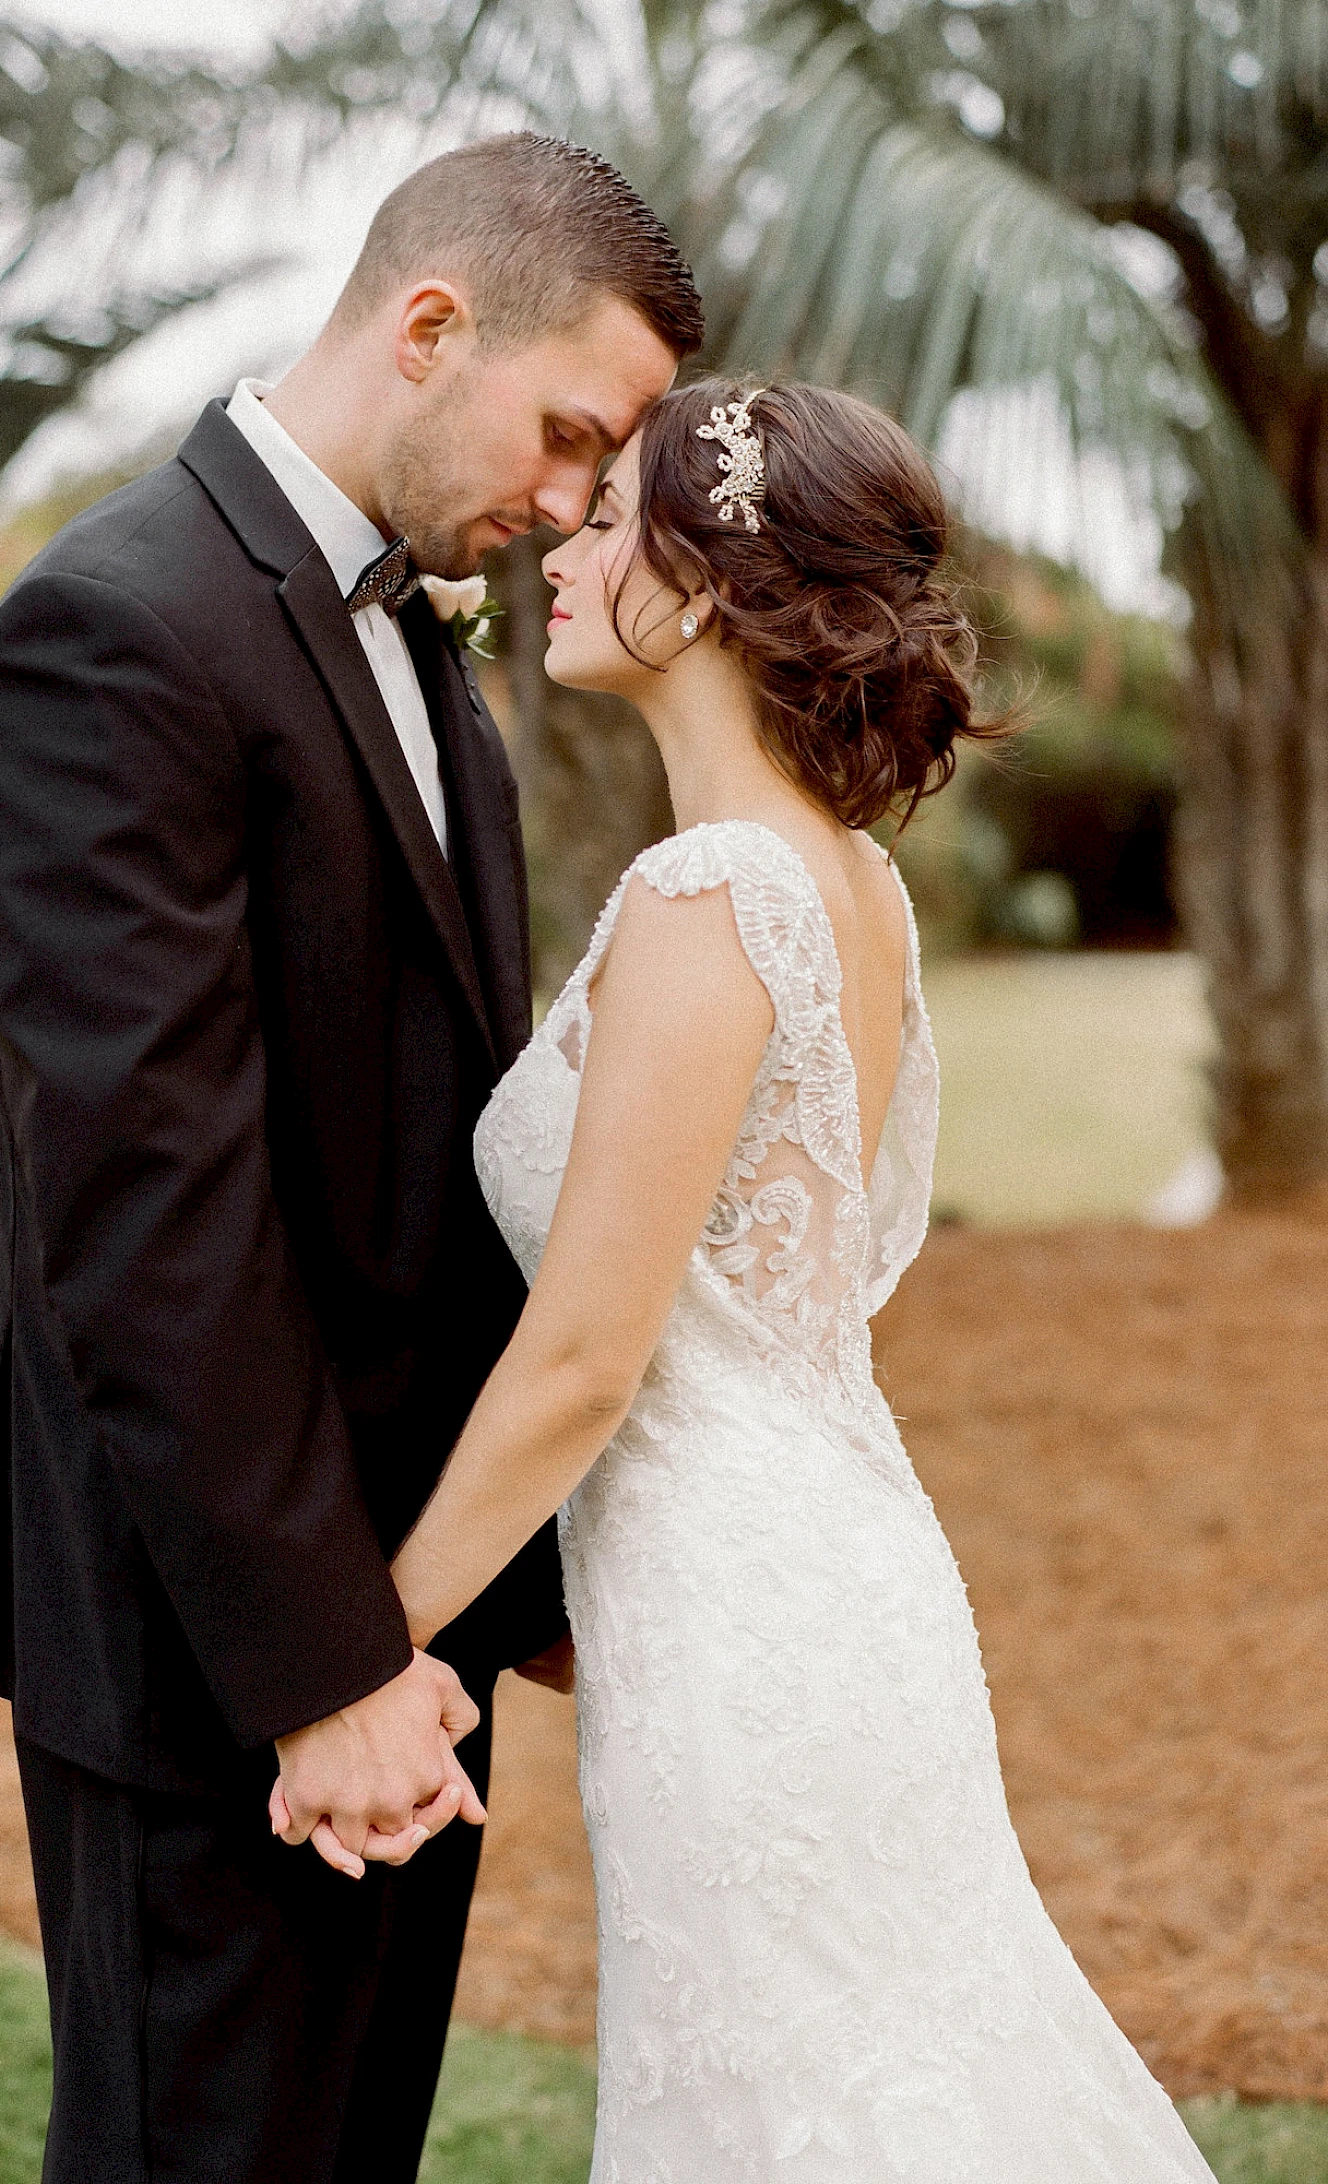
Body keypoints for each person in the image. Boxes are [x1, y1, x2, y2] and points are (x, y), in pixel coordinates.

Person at [0, 133, 700, 2183]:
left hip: (401, 1638)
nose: (574, 503)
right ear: (431, 325)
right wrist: (325, 1668)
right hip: (217, 1653)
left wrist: (481, 1605)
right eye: (568, 432)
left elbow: (429, 1160)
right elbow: (148, 1214)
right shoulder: (110, 630)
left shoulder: (424, 645)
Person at [379, 381, 1221, 2179]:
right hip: (824, 1579)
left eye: (615, 515)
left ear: (705, 586)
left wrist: (368, 1641)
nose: (565, 545)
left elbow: (587, 1358)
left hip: (740, 1622)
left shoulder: (712, 897)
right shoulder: (848, 883)